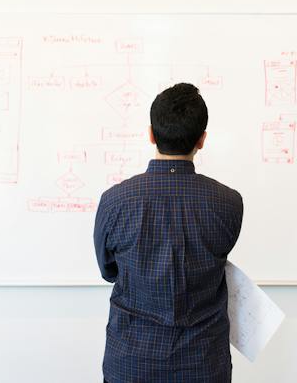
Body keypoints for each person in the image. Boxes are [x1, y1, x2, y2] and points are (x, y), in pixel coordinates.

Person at [93, 83, 244, 382]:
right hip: (203, 364)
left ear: (151, 134)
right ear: (202, 140)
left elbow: (109, 270)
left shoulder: (115, 201)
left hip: (131, 363)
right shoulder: (228, 203)